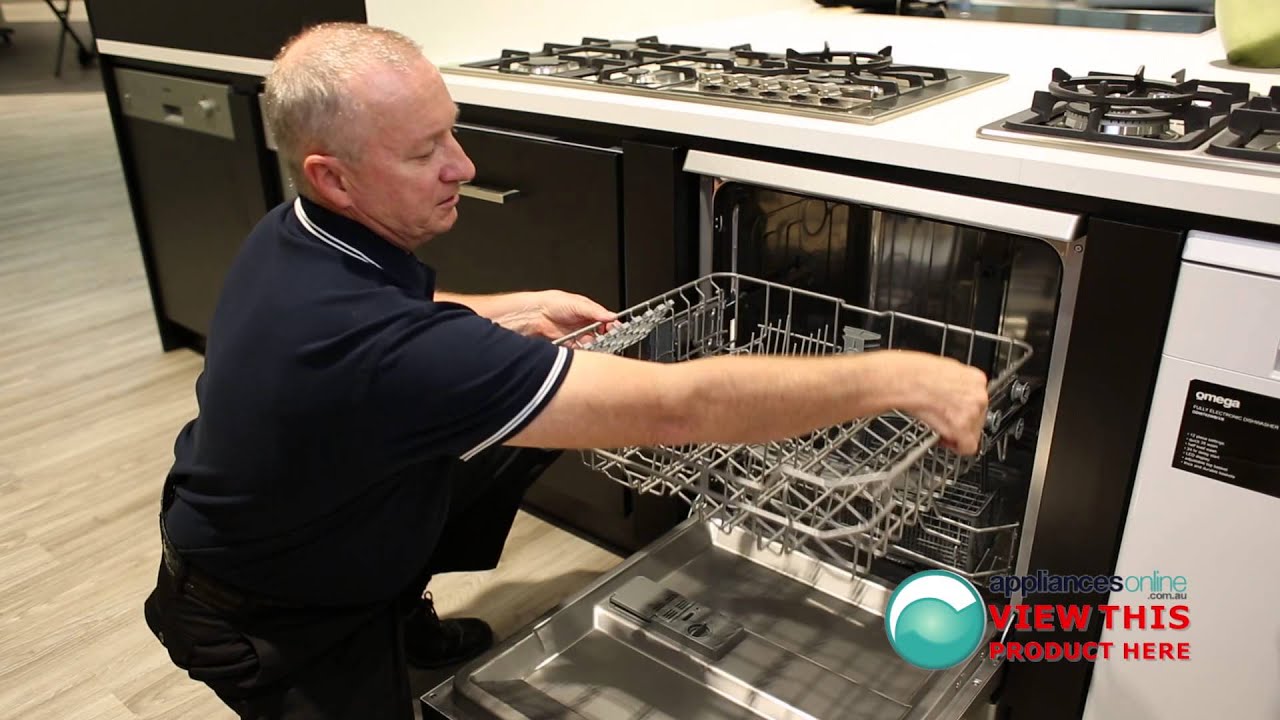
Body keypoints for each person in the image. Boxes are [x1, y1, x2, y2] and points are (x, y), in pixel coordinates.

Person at [141, 21, 990, 720]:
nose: (462, 166)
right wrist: (901, 377)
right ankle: (376, 626)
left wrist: (515, 303)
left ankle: (401, 615)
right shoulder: (380, 351)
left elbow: (404, 325)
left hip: (313, 510)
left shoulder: (299, 233)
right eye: (424, 151)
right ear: (335, 176)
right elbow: (674, 411)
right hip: (266, 614)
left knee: (511, 424)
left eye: (453, 129)